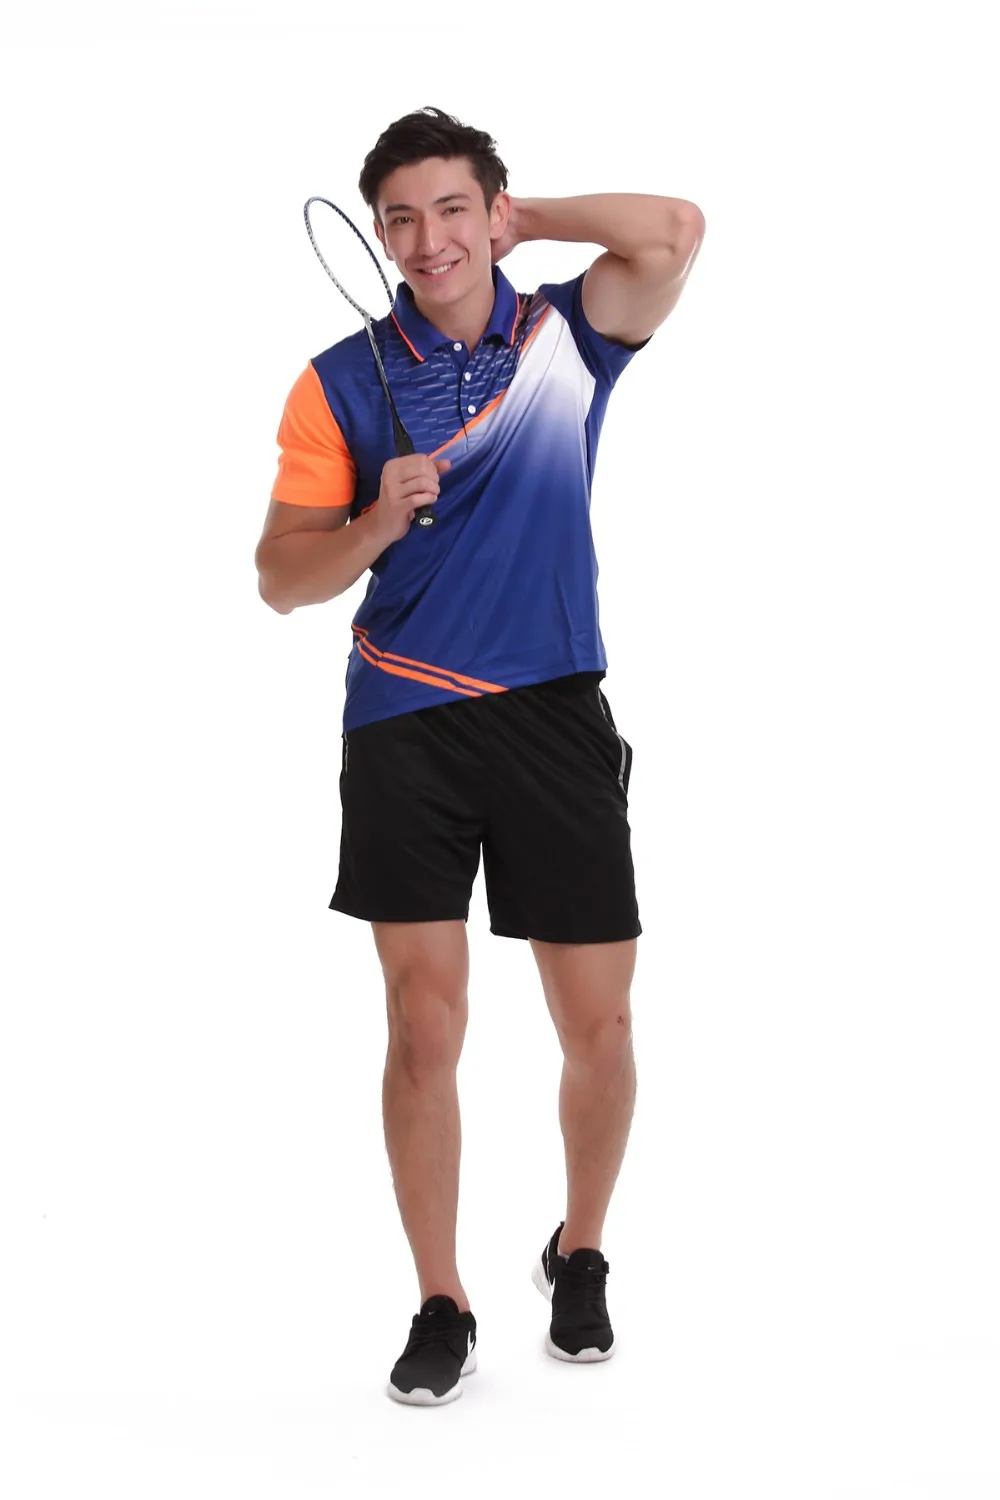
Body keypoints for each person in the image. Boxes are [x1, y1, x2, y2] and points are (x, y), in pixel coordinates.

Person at [255, 106, 705, 1406]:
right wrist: (369, 523)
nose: (427, 239)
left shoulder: (568, 338)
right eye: (401, 218)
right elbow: (283, 576)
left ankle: (580, 1250)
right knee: (422, 1026)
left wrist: (530, 223)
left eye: (454, 209)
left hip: (555, 709)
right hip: (404, 721)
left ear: (492, 212)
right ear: (380, 233)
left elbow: (676, 231)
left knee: (601, 1024)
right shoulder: (339, 383)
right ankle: (441, 1299)